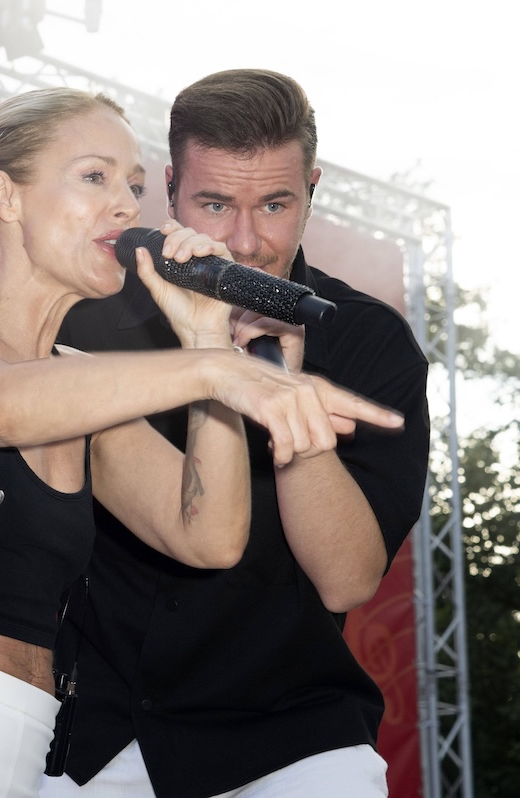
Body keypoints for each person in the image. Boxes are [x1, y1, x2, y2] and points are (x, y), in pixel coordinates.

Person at [0, 87, 404, 797]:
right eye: (95, 177)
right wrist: (213, 371)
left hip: (24, 754)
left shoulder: (78, 385)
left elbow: (208, 537)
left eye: (135, 186)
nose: (125, 206)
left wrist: (208, 339)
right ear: (6, 197)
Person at [40, 70, 431, 798]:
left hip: (290, 742)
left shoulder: (371, 343)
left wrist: (278, 386)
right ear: (170, 189)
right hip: (91, 736)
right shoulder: (85, 318)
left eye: (275, 204)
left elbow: (347, 578)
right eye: (215, 204)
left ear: (311, 191)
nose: (246, 242)